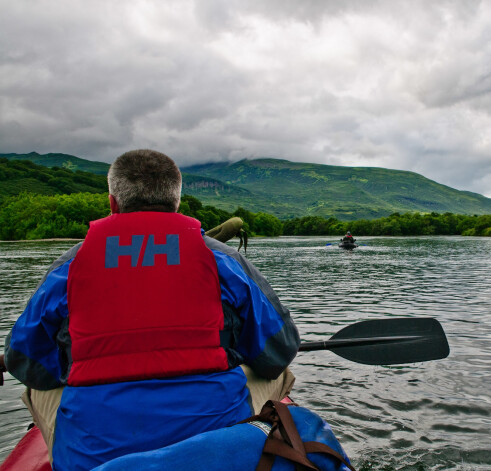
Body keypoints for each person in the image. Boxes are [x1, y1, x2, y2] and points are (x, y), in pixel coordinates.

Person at [3, 149, 300, 471]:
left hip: (95, 453)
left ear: (113, 203)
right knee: (282, 372)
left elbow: (27, 363)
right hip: (215, 443)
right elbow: (279, 351)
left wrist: (81, 367)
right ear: (176, 203)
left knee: (35, 389)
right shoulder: (223, 259)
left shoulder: (69, 266)